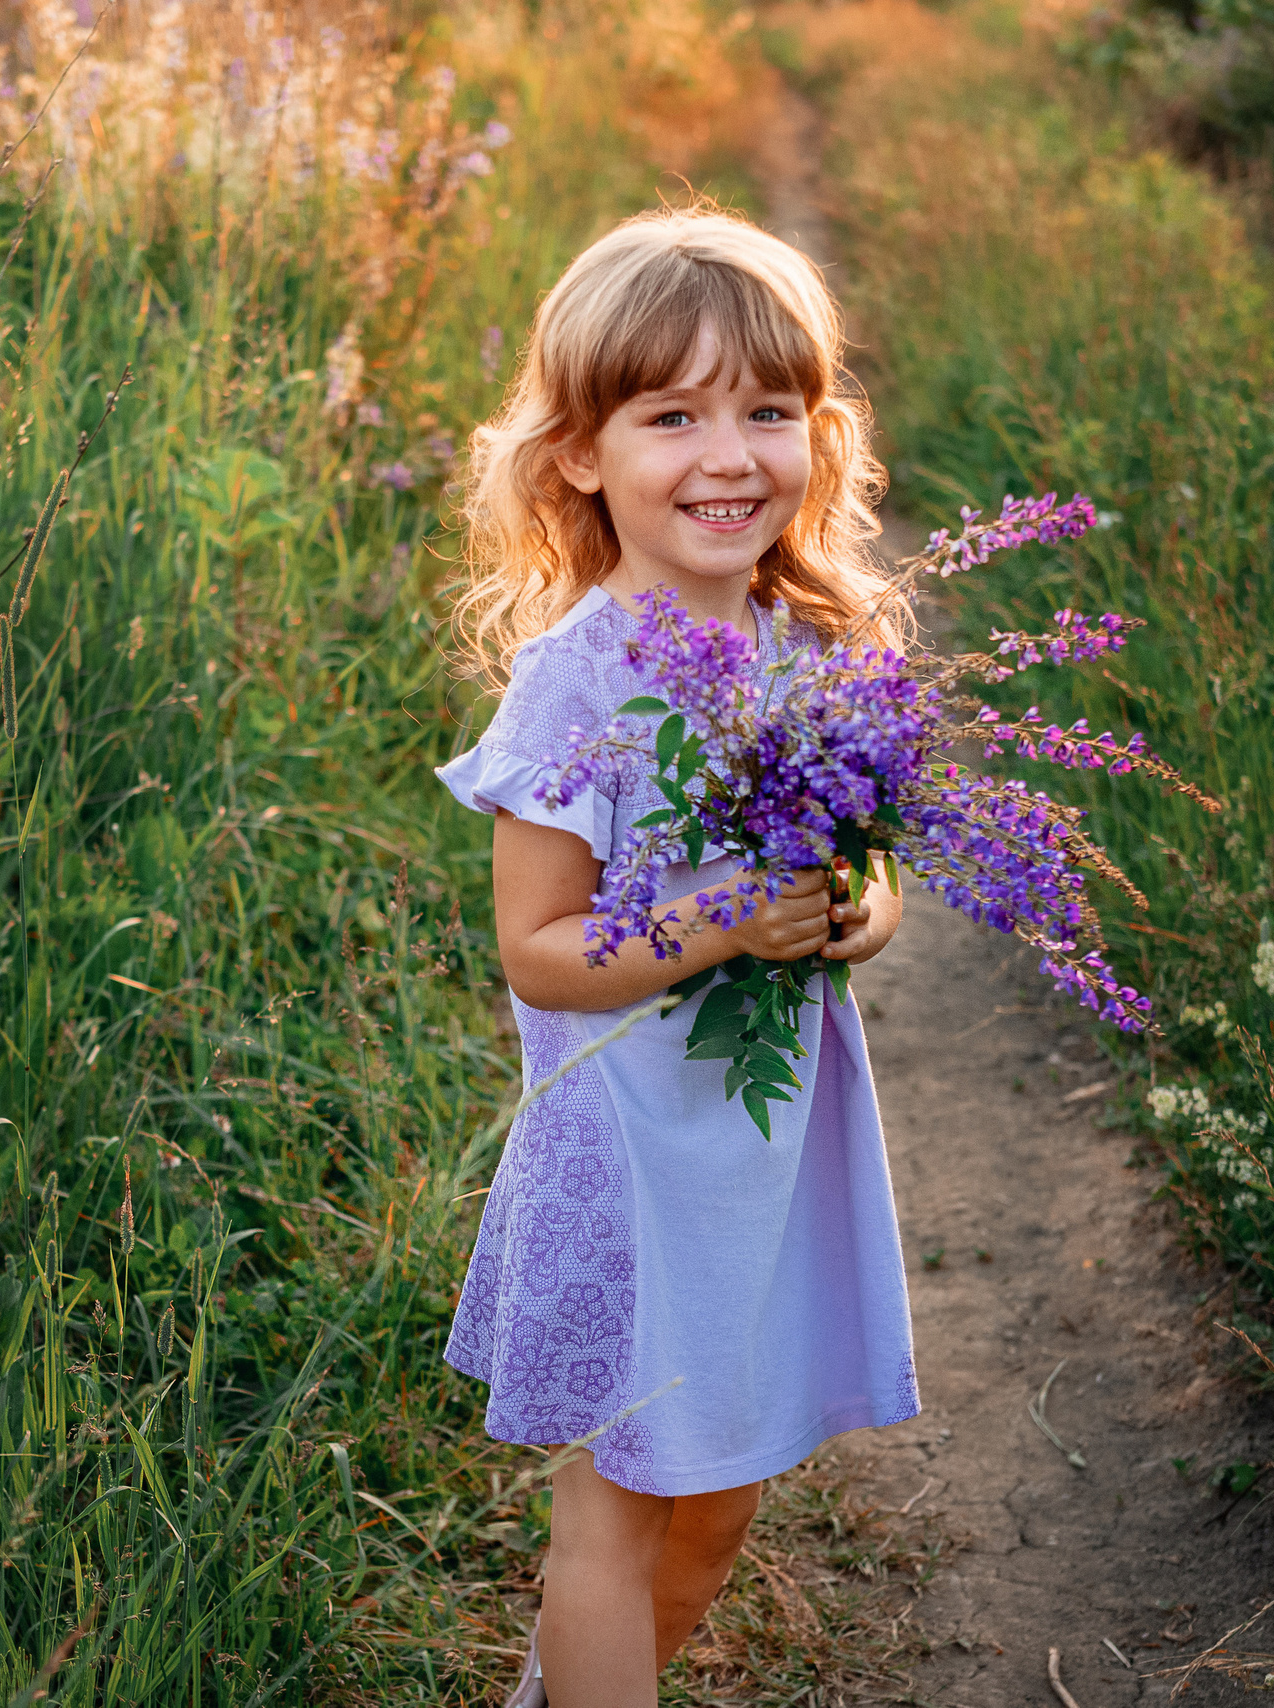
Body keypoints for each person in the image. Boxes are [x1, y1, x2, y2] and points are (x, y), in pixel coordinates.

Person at [439, 203, 921, 1708]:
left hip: (761, 1154)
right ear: (580, 453)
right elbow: (540, 950)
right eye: (671, 415)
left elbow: (865, 864)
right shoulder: (576, 683)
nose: (729, 456)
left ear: (818, 437)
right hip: (635, 1157)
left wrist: (860, 911)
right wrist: (722, 916)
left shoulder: (812, 646)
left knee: (717, 1509)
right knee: (623, 1513)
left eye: (767, 411)